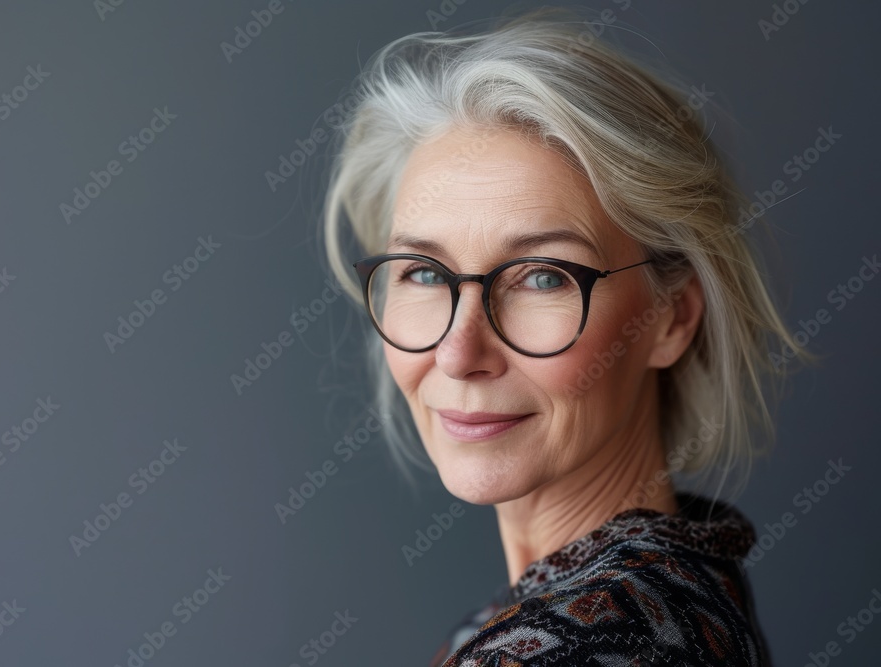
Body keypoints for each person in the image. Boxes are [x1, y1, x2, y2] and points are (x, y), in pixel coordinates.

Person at [318, 7, 811, 665]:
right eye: (424, 272)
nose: (459, 352)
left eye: (541, 278)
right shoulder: (681, 594)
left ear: (673, 315)